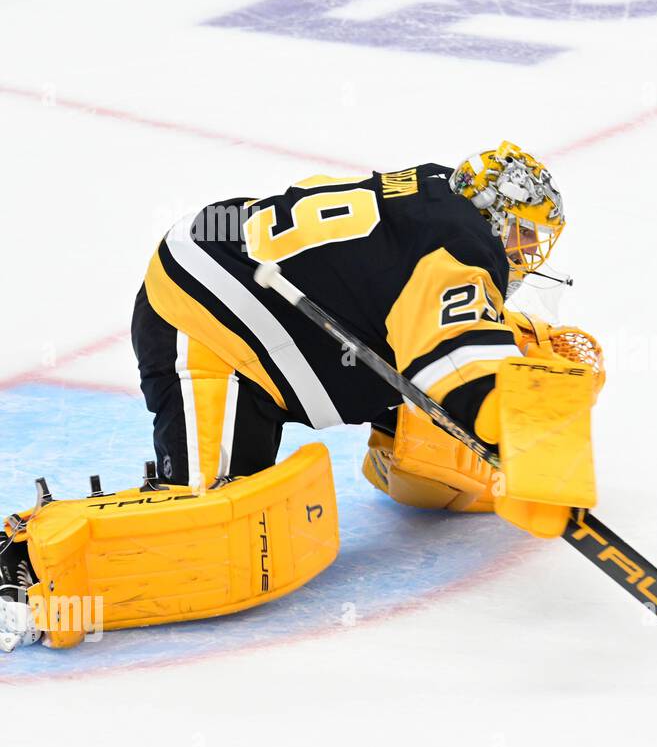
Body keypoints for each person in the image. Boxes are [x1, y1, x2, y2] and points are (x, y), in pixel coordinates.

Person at [0, 142, 604, 653]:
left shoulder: (436, 198)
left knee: (444, 407)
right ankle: (24, 565)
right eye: (523, 233)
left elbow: (392, 293)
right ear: (492, 215)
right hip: (212, 317)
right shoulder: (459, 247)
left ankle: (412, 436)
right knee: (208, 532)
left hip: (240, 271)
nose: (526, 253)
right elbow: (459, 348)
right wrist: (526, 440)